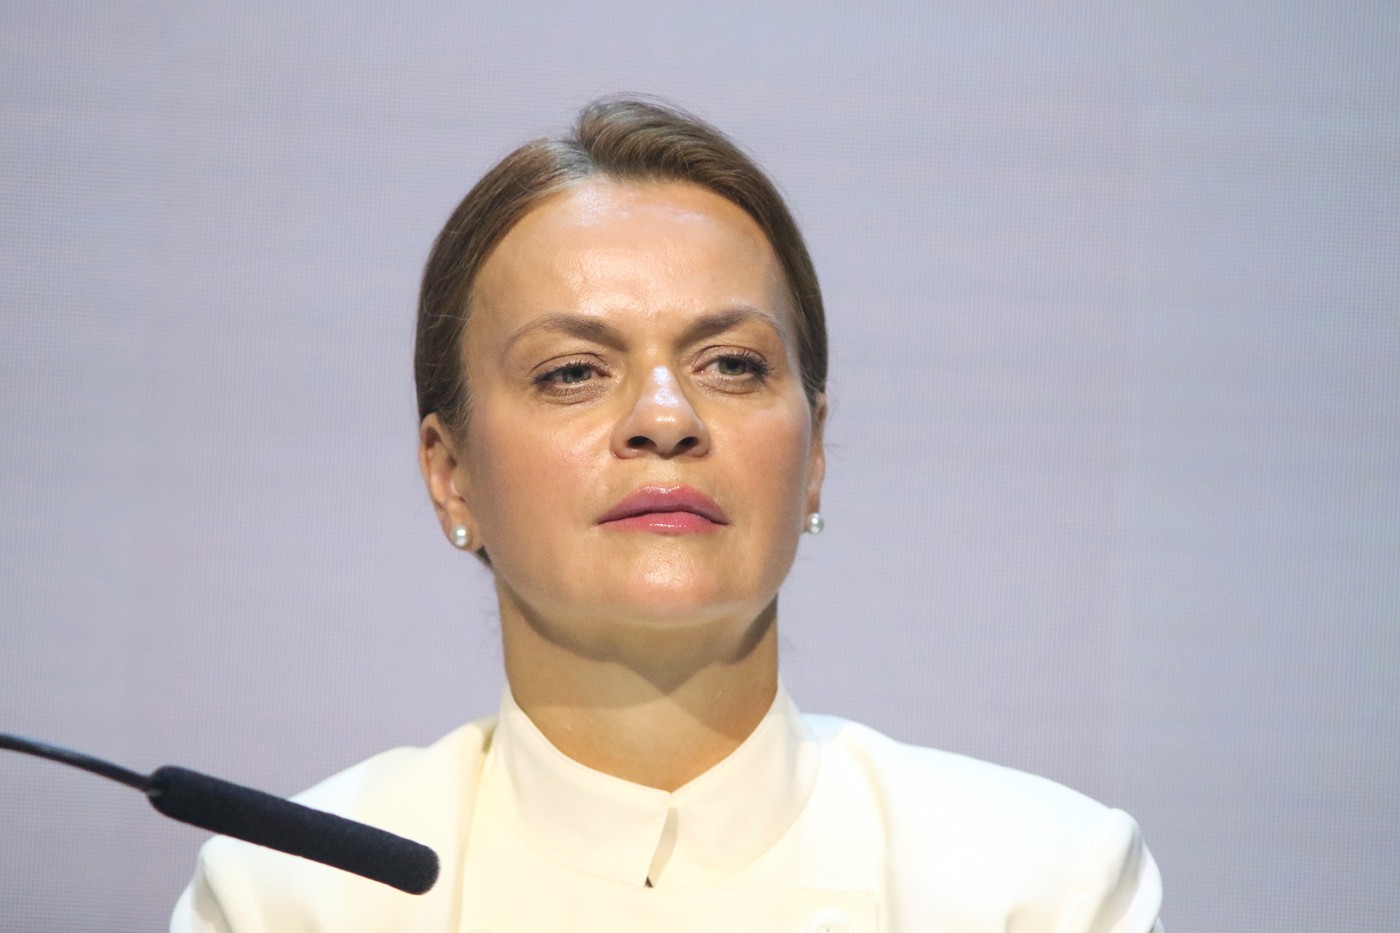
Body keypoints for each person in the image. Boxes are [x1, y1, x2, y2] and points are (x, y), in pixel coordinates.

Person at [170, 97, 1164, 932]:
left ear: (813, 455)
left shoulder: (1042, 889)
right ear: (451, 473)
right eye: (572, 372)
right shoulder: (292, 898)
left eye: (730, 364)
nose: (665, 418)